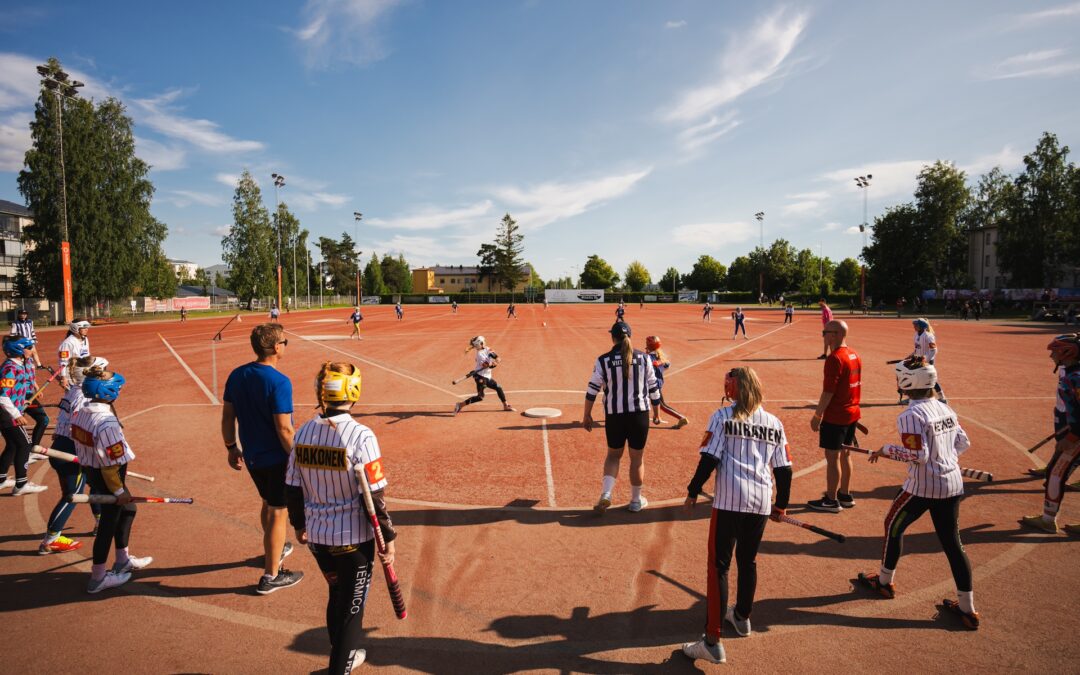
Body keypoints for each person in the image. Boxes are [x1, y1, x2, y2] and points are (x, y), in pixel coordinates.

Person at [285, 361, 398, 673]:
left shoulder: (303, 432)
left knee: (337, 595)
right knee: (353, 611)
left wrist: (299, 524)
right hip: (352, 541)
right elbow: (373, 496)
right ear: (355, 391)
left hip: (318, 539)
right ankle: (340, 667)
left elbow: (292, 486)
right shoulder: (362, 435)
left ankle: (344, 655)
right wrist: (387, 539)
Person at [857, 357, 980, 630]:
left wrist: (887, 450)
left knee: (892, 525)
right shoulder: (944, 408)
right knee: (952, 543)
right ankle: (967, 608)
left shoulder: (910, 415)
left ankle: (885, 582)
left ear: (906, 383)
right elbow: (963, 442)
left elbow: (918, 456)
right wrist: (946, 458)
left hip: (922, 487)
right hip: (952, 485)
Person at [680, 367, 793, 664]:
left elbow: (709, 457)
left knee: (719, 566)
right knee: (748, 560)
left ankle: (712, 639)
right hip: (760, 502)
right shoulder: (774, 422)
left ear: (733, 388)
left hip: (730, 500)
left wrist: (693, 489)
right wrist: (781, 504)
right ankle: (742, 616)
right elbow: (784, 469)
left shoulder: (722, 417)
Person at [221, 323, 303, 594]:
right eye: (285, 342)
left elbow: (228, 417)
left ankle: (275, 548)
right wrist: (299, 459)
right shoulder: (279, 382)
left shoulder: (237, 375)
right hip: (276, 458)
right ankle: (271, 575)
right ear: (277, 347)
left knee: (268, 503)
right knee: (279, 512)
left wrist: (231, 447)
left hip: (253, 456)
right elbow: (284, 429)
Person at [71, 366, 153, 593]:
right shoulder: (106, 423)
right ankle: (97, 578)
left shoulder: (81, 411)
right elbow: (111, 464)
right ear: (107, 392)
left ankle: (122, 559)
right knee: (108, 524)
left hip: (92, 470)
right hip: (108, 478)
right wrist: (119, 491)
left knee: (129, 511)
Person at [582, 321, 660, 513]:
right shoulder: (644, 358)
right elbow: (653, 388)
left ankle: (606, 494)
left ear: (612, 337)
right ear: (630, 337)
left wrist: (587, 415)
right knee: (637, 459)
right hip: (639, 415)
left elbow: (592, 389)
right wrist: (656, 414)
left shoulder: (603, 360)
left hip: (614, 416)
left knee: (613, 456)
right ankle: (635, 501)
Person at [39, 355, 107, 553]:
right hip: (70, 450)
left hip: (63, 445)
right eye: (100, 372)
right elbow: (78, 429)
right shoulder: (82, 396)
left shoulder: (75, 391)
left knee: (94, 483)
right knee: (73, 495)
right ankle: (50, 540)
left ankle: (100, 521)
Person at [1021, 334, 1080, 534]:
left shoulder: (1076, 378)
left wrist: (1071, 437)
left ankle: (1048, 520)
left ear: (1066, 353)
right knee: (1055, 473)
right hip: (1074, 431)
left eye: (1055, 351)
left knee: (1055, 474)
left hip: (1077, 436)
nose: (1051, 355)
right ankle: (1048, 518)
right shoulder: (1072, 374)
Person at [808, 320, 862, 513]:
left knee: (832, 458)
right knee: (846, 454)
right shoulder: (854, 354)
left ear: (835, 334)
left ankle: (831, 500)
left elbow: (828, 392)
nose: (823, 335)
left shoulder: (835, 358)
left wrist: (817, 415)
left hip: (836, 416)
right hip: (852, 412)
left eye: (825, 332)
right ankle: (845, 494)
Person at [0, 337, 48, 495]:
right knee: (25, 445)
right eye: (28, 347)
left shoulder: (18, 365)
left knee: (13, 445)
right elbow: (2, 396)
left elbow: (14, 391)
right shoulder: (10, 368)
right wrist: (16, 414)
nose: (32, 350)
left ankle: (1, 480)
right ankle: (21, 484)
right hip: (6, 414)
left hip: (9, 411)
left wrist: (23, 401)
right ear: (18, 350)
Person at [453, 336, 514, 415]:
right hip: (480, 377)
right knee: (480, 397)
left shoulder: (486, 348)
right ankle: (460, 405)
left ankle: (506, 406)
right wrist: (494, 364)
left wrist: (497, 359)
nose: (484, 342)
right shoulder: (479, 355)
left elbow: (494, 355)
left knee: (498, 387)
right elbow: (488, 365)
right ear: (479, 344)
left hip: (487, 376)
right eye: (483, 342)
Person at [645, 335, 688, 428]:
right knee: (660, 404)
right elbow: (667, 365)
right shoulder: (660, 357)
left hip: (652, 385)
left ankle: (681, 417)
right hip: (658, 383)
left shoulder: (648, 358)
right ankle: (657, 416)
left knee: (662, 405)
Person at [902, 318, 946, 404]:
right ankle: (912, 398)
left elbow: (933, 350)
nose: (914, 326)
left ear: (921, 326)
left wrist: (925, 359)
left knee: (930, 379)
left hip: (928, 361)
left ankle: (942, 398)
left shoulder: (928, 336)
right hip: (918, 360)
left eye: (916, 325)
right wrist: (911, 356)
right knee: (914, 377)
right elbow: (917, 349)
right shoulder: (916, 335)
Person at [58, 319, 91, 390]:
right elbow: (63, 362)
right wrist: (64, 378)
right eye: (84, 328)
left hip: (83, 372)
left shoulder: (85, 339)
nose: (86, 329)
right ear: (75, 328)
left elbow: (87, 356)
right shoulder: (67, 343)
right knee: (73, 395)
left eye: (87, 327)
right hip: (71, 375)